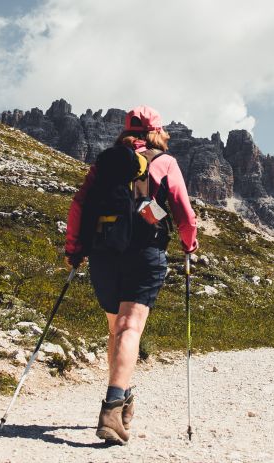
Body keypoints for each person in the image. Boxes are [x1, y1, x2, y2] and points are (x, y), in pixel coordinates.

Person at [64, 105, 198, 445]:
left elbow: (79, 205)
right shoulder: (164, 162)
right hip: (144, 251)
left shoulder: (105, 163)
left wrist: (74, 250)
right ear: (157, 131)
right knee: (130, 327)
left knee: (116, 328)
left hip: (104, 253)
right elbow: (182, 209)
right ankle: (112, 407)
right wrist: (189, 244)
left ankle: (123, 398)